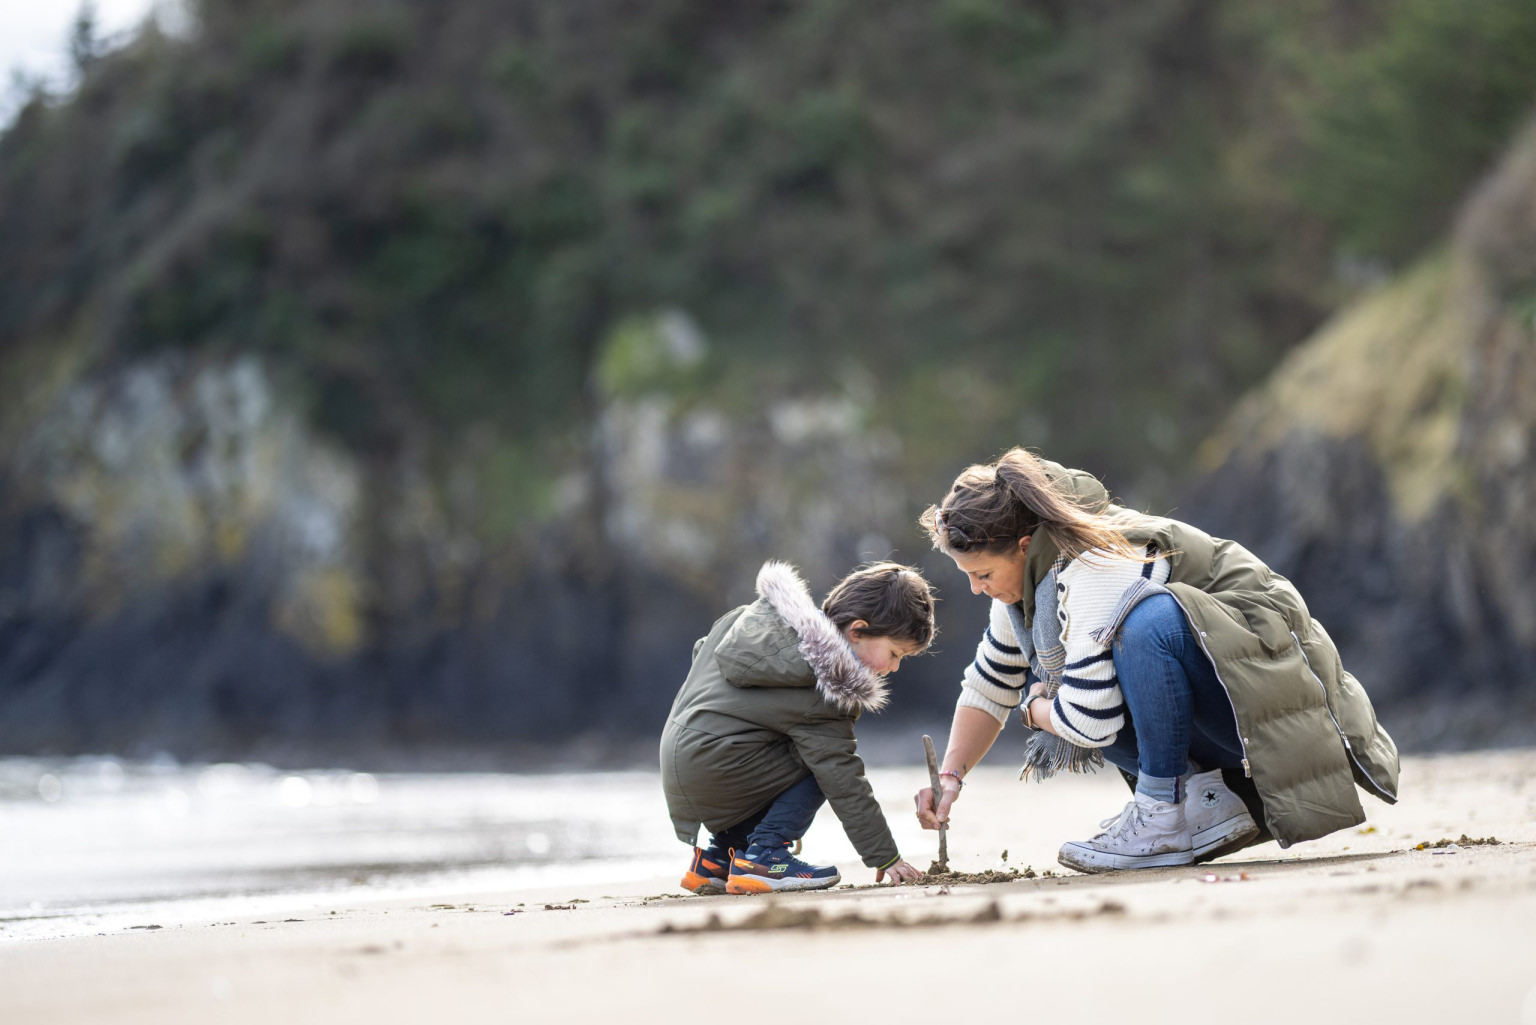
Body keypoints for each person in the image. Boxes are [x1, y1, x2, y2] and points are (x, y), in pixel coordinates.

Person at [912, 447, 1400, 873]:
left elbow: (1089, 723)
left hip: (1290, 711)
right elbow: (988, 685)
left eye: (982, 573)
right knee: (1096, 668)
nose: (978, 589)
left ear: (1023, 546)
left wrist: (1034, 709)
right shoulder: (1025, 589)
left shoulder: (1093, 562)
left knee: (1145, 622)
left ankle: (1160, 814)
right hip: (1233, 713)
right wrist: (950, 776)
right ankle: (1205, 799)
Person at [662, 560, 933, 893]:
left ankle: (719, 857)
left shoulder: (753, 619)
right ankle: (767, 857)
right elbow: (843, 779)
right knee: (824, 763)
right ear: (857, 631)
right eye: (895, 653)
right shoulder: (826, 689)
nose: (893, 668)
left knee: (772, 742)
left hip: (681, 761)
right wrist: (886, 857)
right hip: (722, 769)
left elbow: (700, 652)